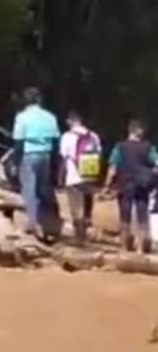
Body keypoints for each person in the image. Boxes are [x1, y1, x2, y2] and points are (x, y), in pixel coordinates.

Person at [10, 87, 61, 241]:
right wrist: (55, 162)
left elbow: (18, 143)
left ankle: (32, 224)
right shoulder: (50, 117)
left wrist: (15, 162)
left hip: (28, 155)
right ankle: (49, 223)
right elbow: (55, 140)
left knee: (29, 191)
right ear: (39, 99)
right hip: (45, 155)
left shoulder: (22, 117)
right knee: (44, 189)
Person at [103, 119, 158, 253]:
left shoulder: (120, 147)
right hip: (142, 184)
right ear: (140, 132)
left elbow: (113, 167)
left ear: (129, 131)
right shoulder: (148, 147)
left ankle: (124, 246)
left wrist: (107, 185)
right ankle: (141, 246)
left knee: (125, 215)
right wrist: (152, 175)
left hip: (125, 184)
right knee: (142, 214)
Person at [59, 111, 102, 242]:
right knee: (88, 203)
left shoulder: (67, 136)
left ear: (70, 121)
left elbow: (63, 156)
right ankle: (88, 228)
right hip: (90, 175)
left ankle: (80, 236)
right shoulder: (93, 135)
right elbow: (99, 154)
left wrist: (60, 176)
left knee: (76, 206)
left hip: (74, 176)